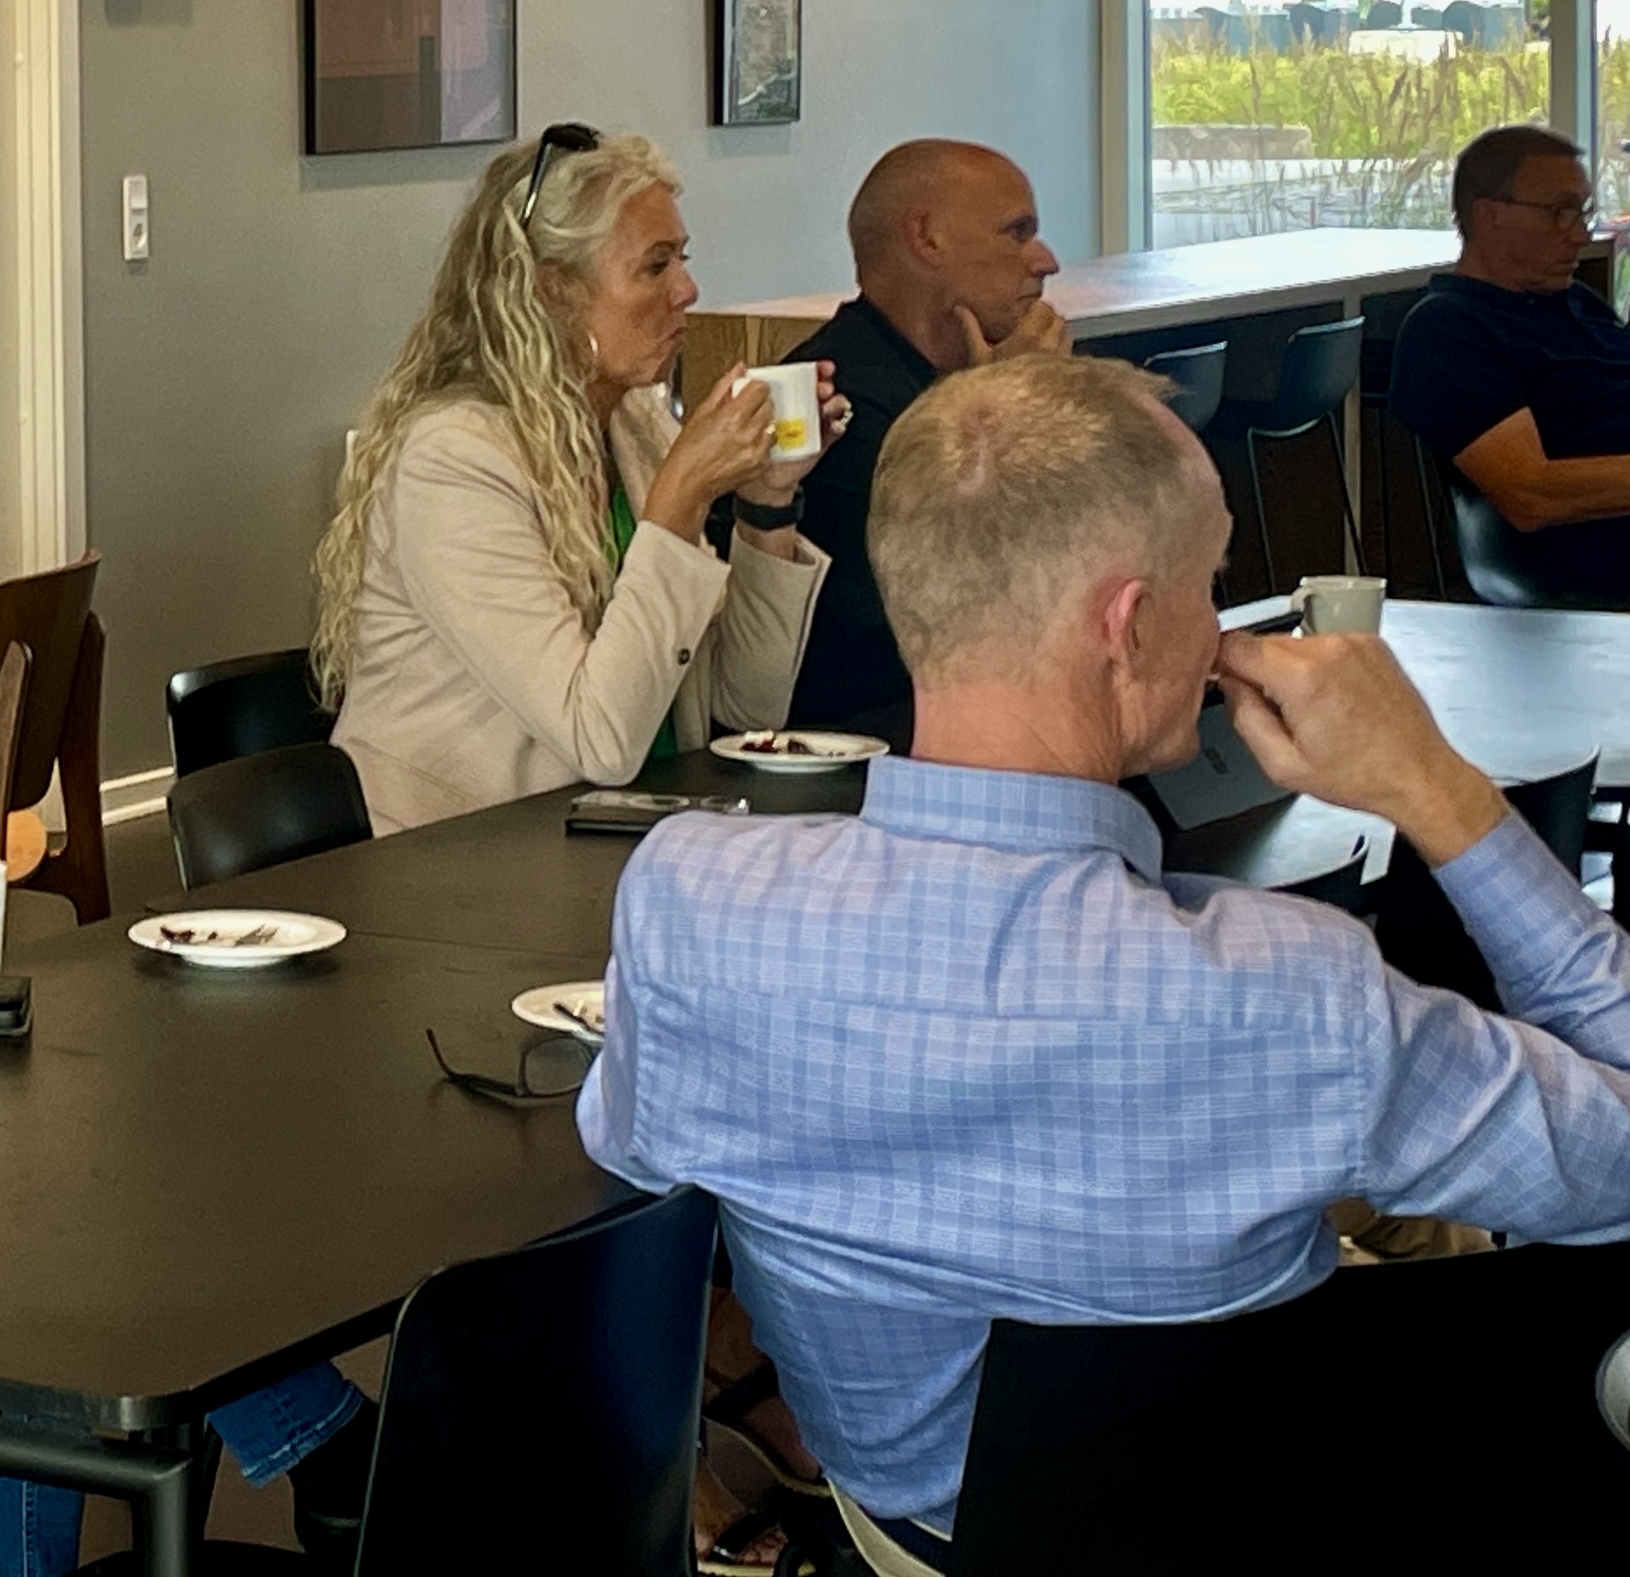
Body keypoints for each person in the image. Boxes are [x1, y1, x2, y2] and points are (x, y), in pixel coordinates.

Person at [580, 353, 1630, 1570]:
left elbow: (636, 1152)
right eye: (1211, 582)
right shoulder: (1299, 993)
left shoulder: (686, 899)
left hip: (907, 1539)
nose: (1221, 625)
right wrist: (1434, 787)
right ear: (1128, 625)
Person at [316, 126, 835, 836]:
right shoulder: (455, 458)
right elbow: (601, 741)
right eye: (654, 267)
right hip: (463, 858)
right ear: (553, 290)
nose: (687, 290)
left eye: (681, 260)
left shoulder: (635, 427)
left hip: (623, 840)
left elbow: (747, 709)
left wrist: (765, 505)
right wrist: (679, 501)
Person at [774, 141, 1067, 728]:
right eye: (1016, 233)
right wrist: (1010, 412)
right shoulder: (836, 401)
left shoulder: (942, 378)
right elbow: (980, 603)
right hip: (874, 734)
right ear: (927, 238)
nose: (1045, 261)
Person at [1388, 123, 1630, 602]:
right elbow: (1530, 493)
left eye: (1582, 212)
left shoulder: (1579, 303)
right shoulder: (1450, 329)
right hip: (1583, 574)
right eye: (1560, 212)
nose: (1580, 235)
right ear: (1489, 216)